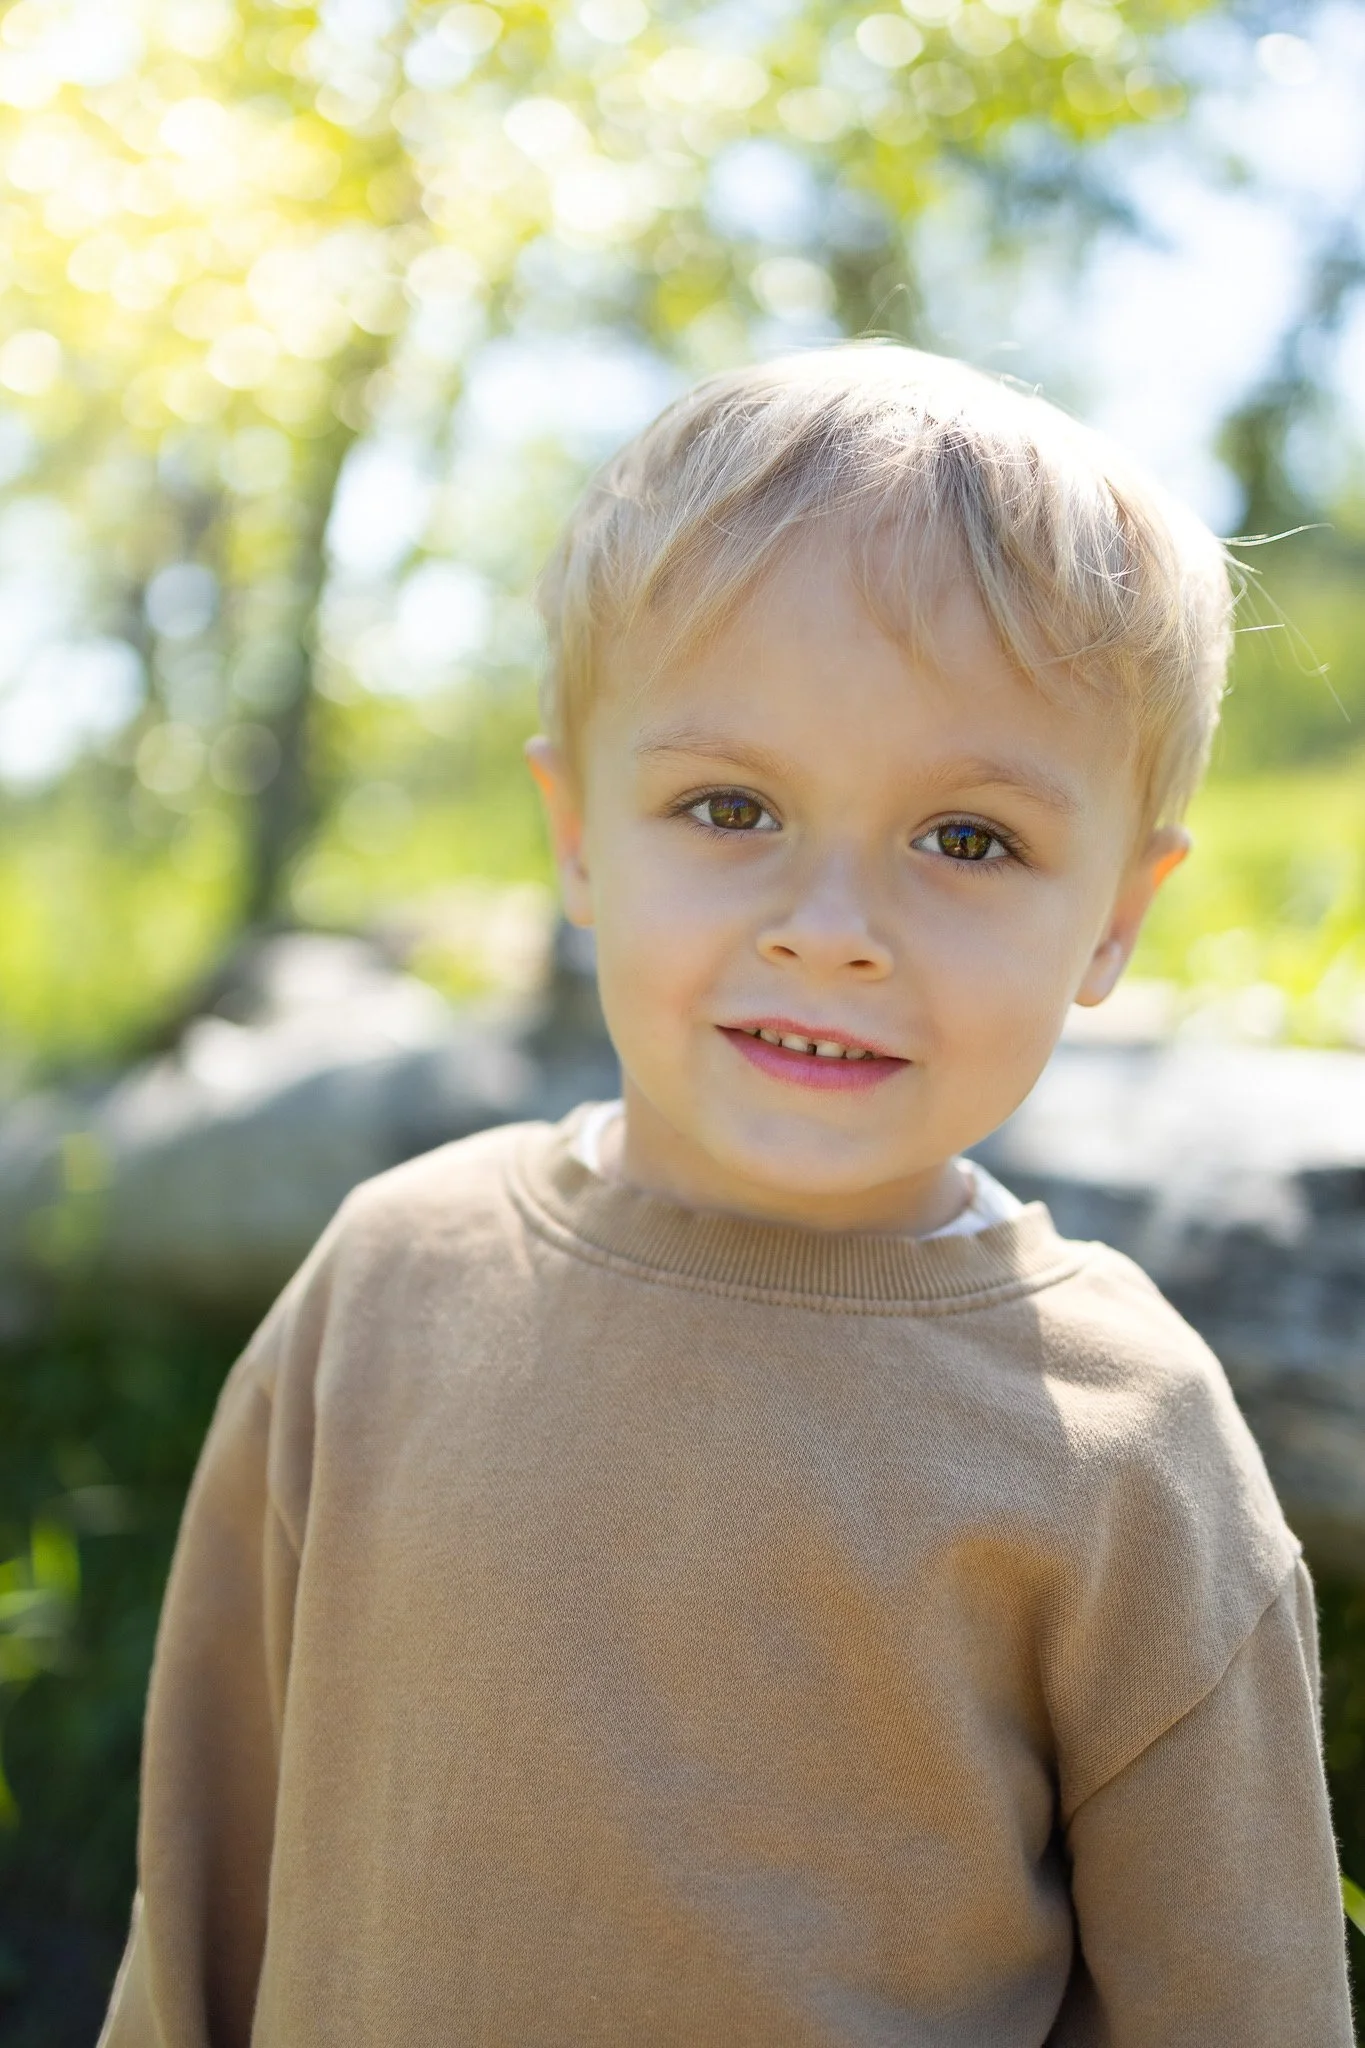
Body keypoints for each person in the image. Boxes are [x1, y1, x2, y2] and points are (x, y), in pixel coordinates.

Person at [100, 345, 1353, 2046]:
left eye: (967, 839)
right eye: (729, 805)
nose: (829, 923)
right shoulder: (386, 1287)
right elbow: (199, 1908)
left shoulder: (1127, 1445)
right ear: (582, 840)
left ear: (1119, 916)